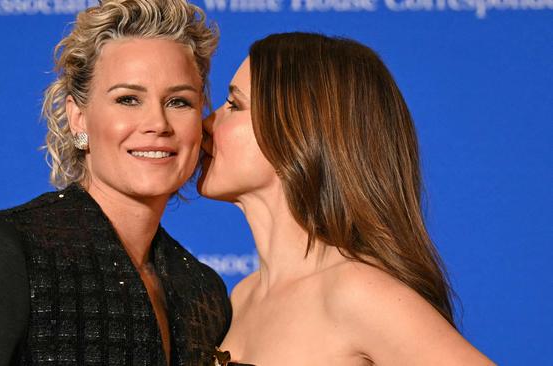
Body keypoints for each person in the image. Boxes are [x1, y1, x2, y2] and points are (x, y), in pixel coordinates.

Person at [0, 1, 230, 365]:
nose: (157, 123)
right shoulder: (4, 250)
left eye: (179, 101)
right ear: (78, 119)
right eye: (128, 99)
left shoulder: (203, 289)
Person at [199, 32, 495, 366]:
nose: (206, 123)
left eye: (234, 105)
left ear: (299, 131)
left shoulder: (357, 293)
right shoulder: (243, 297)